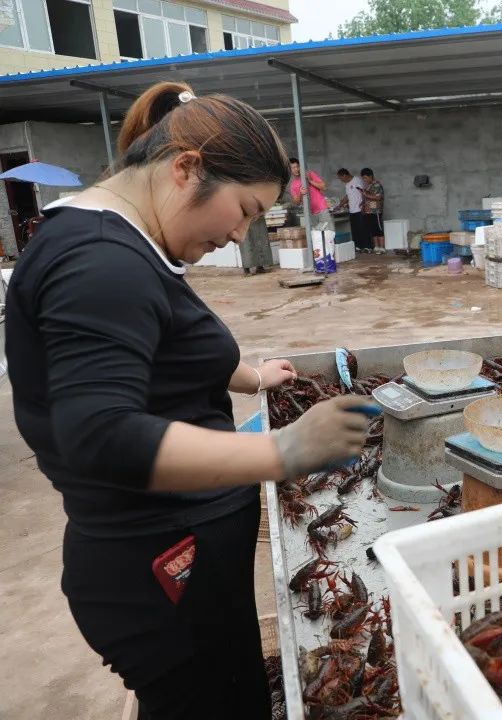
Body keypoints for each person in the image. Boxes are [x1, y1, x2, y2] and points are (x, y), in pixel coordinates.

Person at [5, 81, 376, 720]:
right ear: (186, 169)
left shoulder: (125, 243)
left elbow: (155, 347)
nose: (239, 235)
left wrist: (251, 376)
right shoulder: (101, 261)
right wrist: (283, 449)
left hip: (177, 557)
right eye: (245, 209)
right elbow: (102, 433)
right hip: (155, 569)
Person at [288, 157, 333, 229]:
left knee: (328, 235)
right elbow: (296, 202)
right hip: (309, 213)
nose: (296, 169)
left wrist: (310, 181)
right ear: (289, 170)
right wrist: (300, 193)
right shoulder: (293, 185)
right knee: (315, 236)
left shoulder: (310, 174)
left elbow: (323, 187)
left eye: (297, 166)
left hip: (322, 209)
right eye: (293, 168)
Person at [335, 167, 369, 253]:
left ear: (345, 175)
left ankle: (367, 247)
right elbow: (347, 196)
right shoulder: (347, 184)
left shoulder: (356, 180)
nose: (341, 180)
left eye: (340, 178)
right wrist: (339, 205)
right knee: (355, 230)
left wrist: (364, 204)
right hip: (352, 210)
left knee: (363, 229)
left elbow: (363, 192)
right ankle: (357, 246)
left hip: (359, 209)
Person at [357, 167, 385, 253]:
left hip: (375, 211)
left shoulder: (377, 185)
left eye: (365, 178)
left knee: (378, 229)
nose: (364, 180)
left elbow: (378, 197)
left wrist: (365, 194)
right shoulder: (369, 186)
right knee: (372, 229)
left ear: (371, 176)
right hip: (368, 211)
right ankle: (376, 247)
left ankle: (382, 247)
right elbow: (367, 197)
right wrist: (363, 203)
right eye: (363, 178)